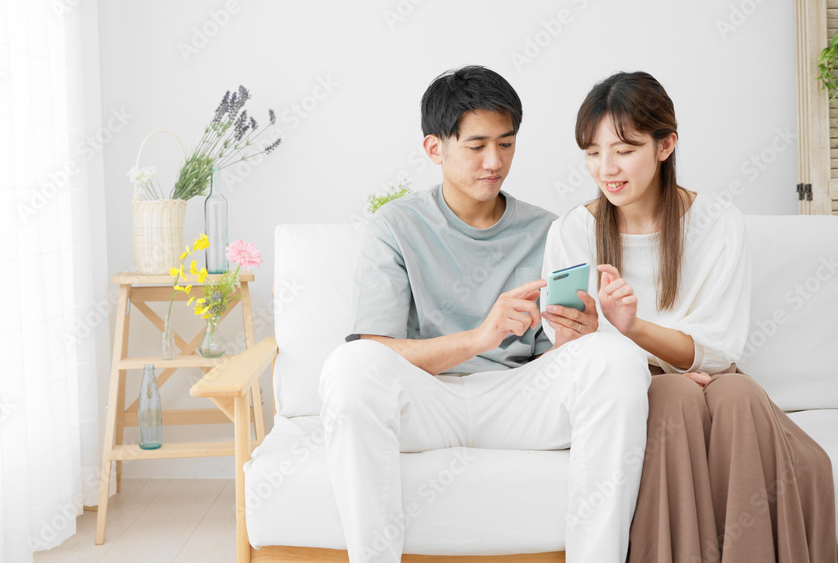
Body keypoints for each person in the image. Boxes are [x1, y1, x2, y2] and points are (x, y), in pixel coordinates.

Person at [319, 65, 651, 563]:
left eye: (506, 143)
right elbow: (376, 352)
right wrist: (481, 337)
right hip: (426, 401)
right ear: (435, 149)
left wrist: (573, 341)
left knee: (616, 357)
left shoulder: (548, 229)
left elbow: (556, 365)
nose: (494, 162)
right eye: (476, 146)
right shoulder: (396, 226)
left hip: (518, 401)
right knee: (348, 366)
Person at [541, 70, 838, 562]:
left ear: (666, 145)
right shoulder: (573, 231)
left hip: (717, 380)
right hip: (630, 390)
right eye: (592, 153)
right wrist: (586, 335)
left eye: (624, 149)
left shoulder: (718, 224)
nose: (606, 169)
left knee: (742, 395)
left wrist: (633, 327)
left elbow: (719, 350)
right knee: (675, 395)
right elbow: (568, 354)